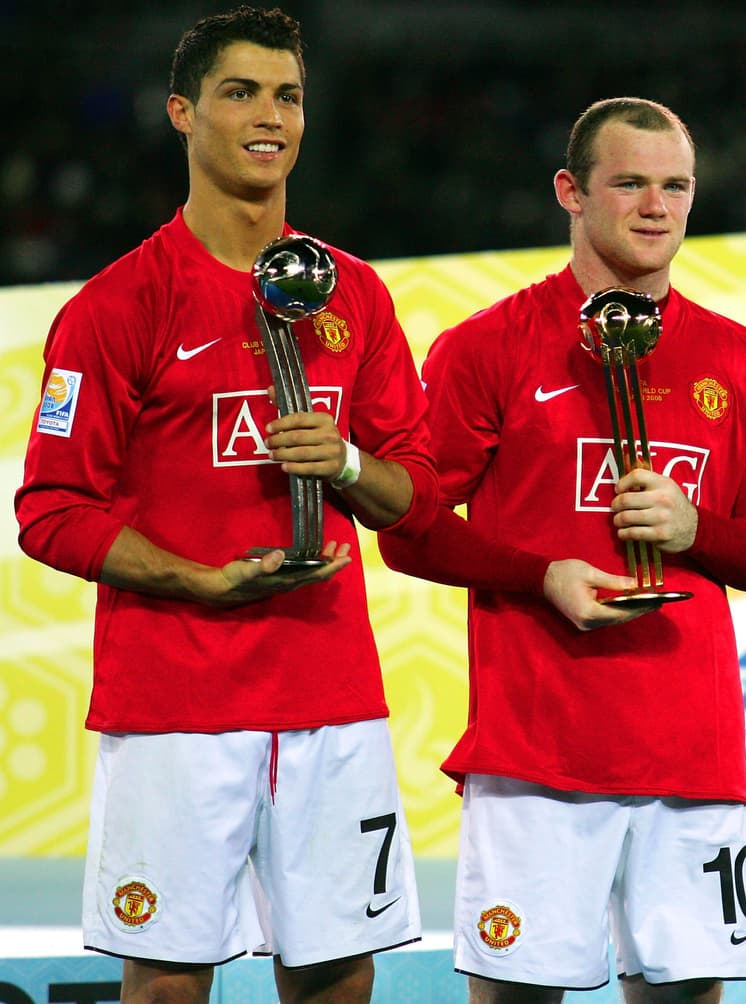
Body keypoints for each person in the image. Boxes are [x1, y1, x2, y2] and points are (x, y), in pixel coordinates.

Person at [14, 8, 439, 1003]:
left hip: (330, 694)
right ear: (181, 113)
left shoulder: (355, 297)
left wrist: (343, 461)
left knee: (338, 974)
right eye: (239, 92)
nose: (268, 115)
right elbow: (49, 507)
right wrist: (195, 579)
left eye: (286, 95)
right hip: (175, 701)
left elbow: (414, 484)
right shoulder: (116, 306)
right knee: (166, 982)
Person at [378, 97, 746, 1003]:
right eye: (631, 183)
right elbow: (409, 529)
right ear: (570, 191)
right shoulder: (487, 348)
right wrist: (541, 576)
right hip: (538, 762)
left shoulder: (739, 360)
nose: (657, 207)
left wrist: (696, 531)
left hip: (693, 761)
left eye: (676, 186)